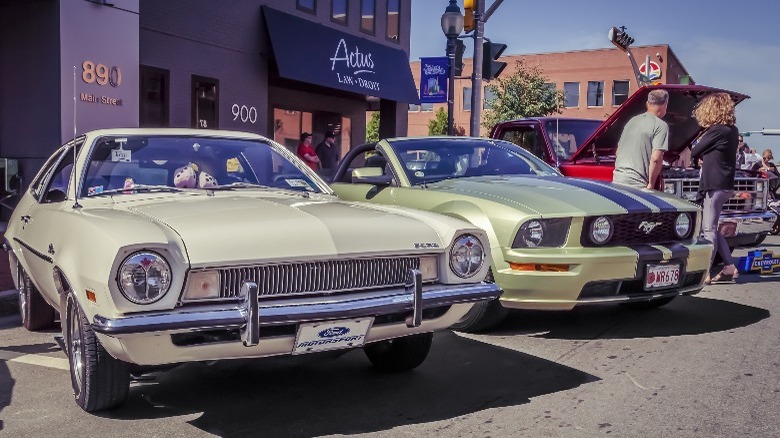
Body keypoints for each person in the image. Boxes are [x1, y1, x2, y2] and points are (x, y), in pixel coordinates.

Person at [690, 92, 739, 284]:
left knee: (708, 229)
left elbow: (695, 150)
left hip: (714, 185)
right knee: (714, 228)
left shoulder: (716, 130)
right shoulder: (732, 130)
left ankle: (705, 273)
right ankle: (729, 267)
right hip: (725, 185)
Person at [613, 89, 669, 190]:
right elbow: (656, 159)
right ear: (665, 104)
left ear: (647, 104)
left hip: (617, 179)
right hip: (637, 184)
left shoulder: (632, 121)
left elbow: (618, 152)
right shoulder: (660, 125)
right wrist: (651, 184)